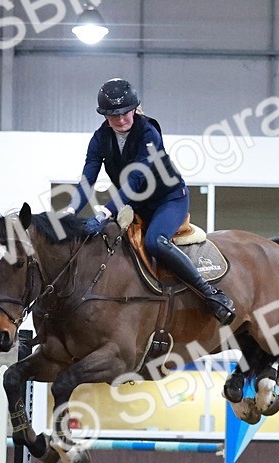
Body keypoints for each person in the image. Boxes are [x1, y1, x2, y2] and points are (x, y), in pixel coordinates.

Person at [63, 78, 236, 325]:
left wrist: (104, 213)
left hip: (169, 199)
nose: (120, 120)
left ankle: (210, 294)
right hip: (137, 204)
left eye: (125, 113)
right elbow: (87, 179)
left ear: (134, 109)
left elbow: (135, 180)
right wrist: (69, 212)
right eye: (113, 115)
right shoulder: (100, 138)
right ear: (104, 115)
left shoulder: (148, 132)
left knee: (155, 242)